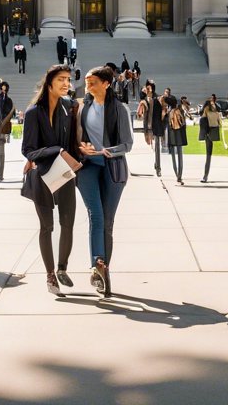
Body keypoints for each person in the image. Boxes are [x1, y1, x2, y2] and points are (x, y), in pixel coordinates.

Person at [74, 66, 134, 297]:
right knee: (95, 216)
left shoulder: (119, 109)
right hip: (88, 167)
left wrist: (106, 151)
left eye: (93, 83)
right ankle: (97, 265)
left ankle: (104, 274)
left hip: (112, 168)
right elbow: (77, 137)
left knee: (107, 222)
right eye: (87, 82)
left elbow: (127, 144)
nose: (88, 87)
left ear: (106, 84)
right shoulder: (82, 107)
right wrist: (83, 148)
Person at [22, 65, 78, 295]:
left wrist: (79, 153)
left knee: (68, 224)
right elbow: (28, 150)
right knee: (47, 226)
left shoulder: (69, 108)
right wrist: (56, 150)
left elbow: (72, 143)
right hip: (42, 175)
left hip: (65, 174)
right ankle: (50, 274)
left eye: (68, 79)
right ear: (49, 83)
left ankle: (62, 268)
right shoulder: (33, 112)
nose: (66, 84)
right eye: (61, 79)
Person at [137, 81, 165, 177]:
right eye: (146, 88)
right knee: (152, 145)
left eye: (149, 88)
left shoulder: (158, 98)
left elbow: (163, 110)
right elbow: (140, 114)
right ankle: (157, 165)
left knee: (157, 147)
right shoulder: (144, 100)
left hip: (156, 125)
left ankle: (158, 167)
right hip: (148, 126)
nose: (147, 89)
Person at [164, 95, 188, 183]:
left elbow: (166, 123)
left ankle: (177, 174)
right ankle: (179, 175)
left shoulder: (169, 111)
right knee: (180, 154)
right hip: (179, 133)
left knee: (173, 155)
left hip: (172, 133)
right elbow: (183, 123)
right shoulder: (179, 110)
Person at [199, 97, 223, 182]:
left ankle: (205, 176)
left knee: (208, 156)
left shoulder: (205, 113)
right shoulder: (215, 113)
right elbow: (220, 123)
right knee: (208, 155)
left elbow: (202, 121)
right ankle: (205, 175)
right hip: (212, 133)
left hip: (207, 134)